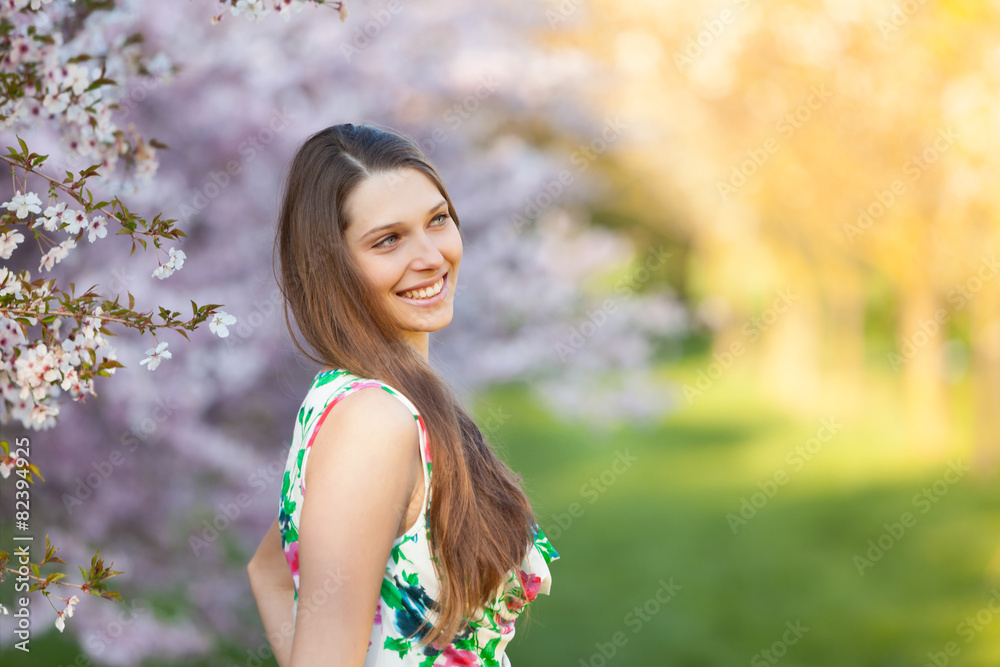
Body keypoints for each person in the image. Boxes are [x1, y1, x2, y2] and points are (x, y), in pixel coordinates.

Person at [246, 123, 559, 666]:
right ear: (331, 268)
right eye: (388, 240)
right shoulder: (373, 420)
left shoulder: (367, 399)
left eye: (437, 220)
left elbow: (269, 572)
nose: (431, 257)